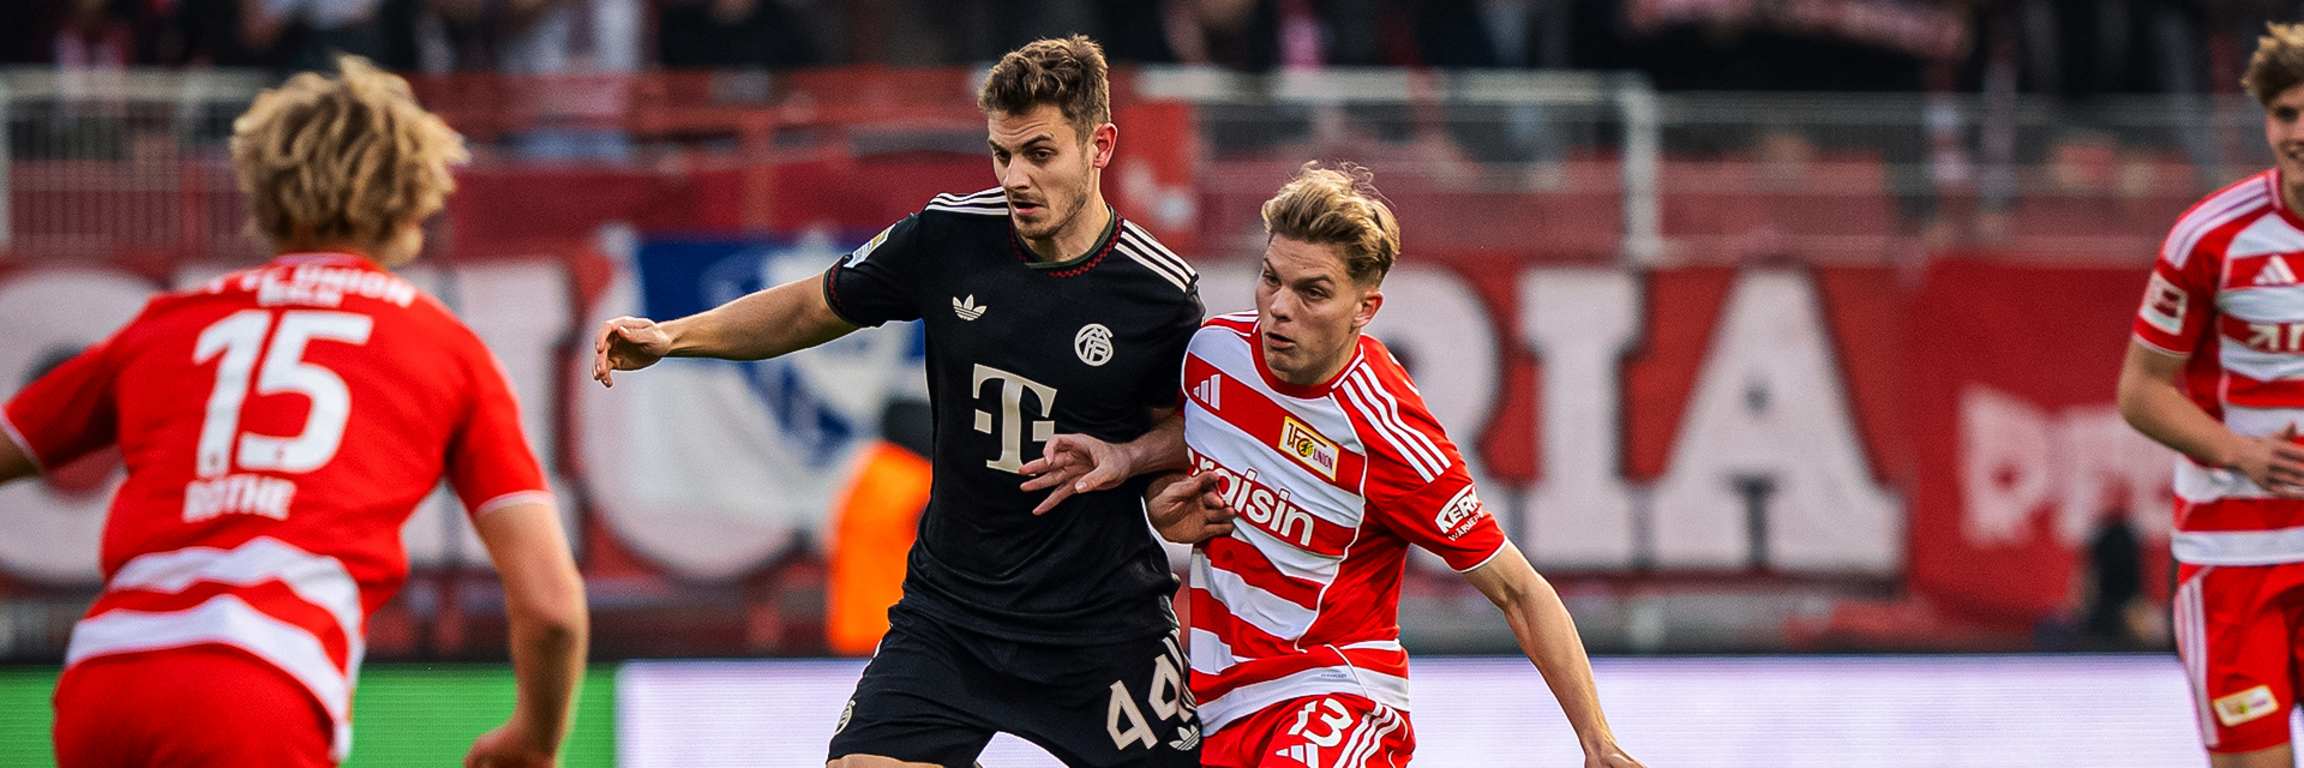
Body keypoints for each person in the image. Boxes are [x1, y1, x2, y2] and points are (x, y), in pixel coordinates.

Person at [591, 35, 1206, 768]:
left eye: (1040, 154)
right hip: (954, 616)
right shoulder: (949, 234)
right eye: (1001, 154)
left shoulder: (1158, 293)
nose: (1015, 177)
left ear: (1099, 145)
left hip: (1100, 627)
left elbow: (1189, 437)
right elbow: (809, 307)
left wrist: (1139, 465)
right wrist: (672, 336)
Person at [0, 57, 586, 767]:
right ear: (413, 200)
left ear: (262, 189)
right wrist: (533, 741)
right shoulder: (446, 349)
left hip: (103, 685)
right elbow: (552, 610)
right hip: (263, 685)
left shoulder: (165, 323)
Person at [1028, 163, 1643, 767]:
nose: (1278, 307)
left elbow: (1519, 590)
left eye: (1312, 292)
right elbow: (1197, 431)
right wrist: (1132, 462)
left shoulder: (1390, 434)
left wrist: (1597, 741)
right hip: (1218, 704)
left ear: (1365, 308)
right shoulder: (1212, 352)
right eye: (1271, 279)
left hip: (1335, 694)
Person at [2117, 22, 2304, 768]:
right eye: (2286, 114)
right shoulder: (2211, 236)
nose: (2300, 133)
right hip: (2234, 560)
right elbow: (2140, 390)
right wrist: (2239, 453)